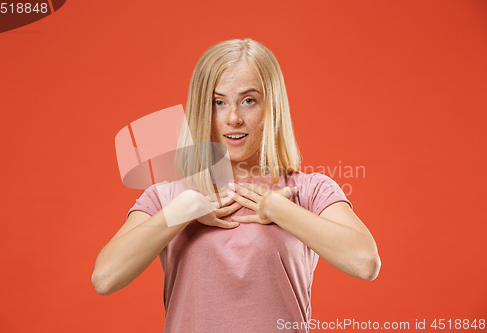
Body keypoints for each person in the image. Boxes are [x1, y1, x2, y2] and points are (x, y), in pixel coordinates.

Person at [92, 38, 381, 332]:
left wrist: (279, 209)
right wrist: (183, 209)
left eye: (249, 101)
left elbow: (365, 263)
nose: (233, 118)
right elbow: (105, 278)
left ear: (272, 106)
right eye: (218, 102)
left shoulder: (309, 191)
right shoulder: (166, 196)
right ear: (202, 110)